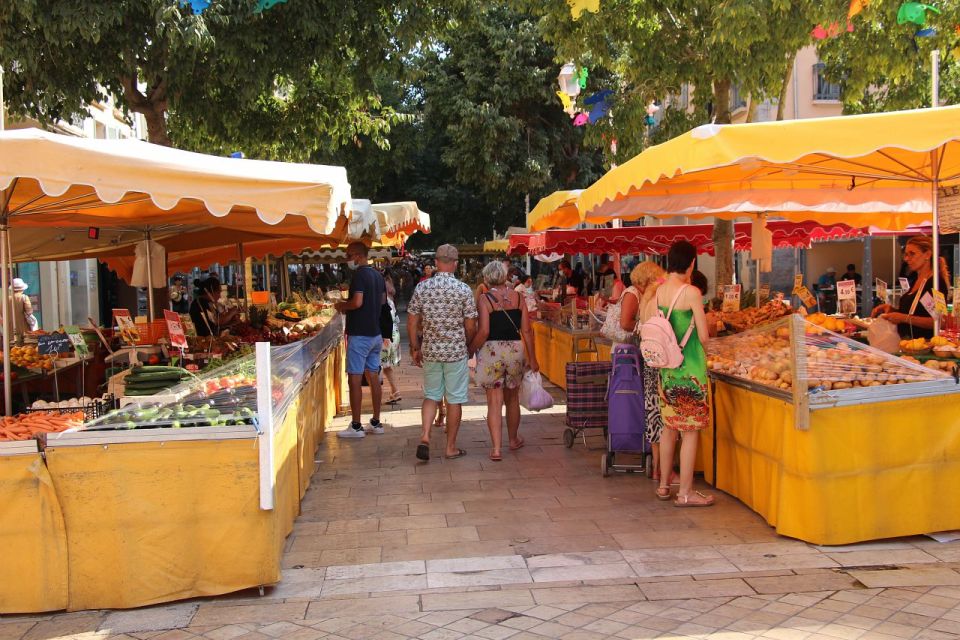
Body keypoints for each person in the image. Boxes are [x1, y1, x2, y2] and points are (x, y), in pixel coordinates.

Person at [644, 241, 714, 507]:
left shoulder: (658, 292)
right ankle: (685, 492)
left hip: (667, 370)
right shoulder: (692, 292)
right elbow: (704, 336)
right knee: (691, 431)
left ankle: (664, 485)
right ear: (692, 263)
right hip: (691, 369)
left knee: (669, 427)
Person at [408, 244, 477, 461]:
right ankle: (450, 448)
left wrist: (414, 347)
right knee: (454, 399)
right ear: (455, 264)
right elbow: (471, 325)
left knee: (431, 395)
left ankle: (426, 436)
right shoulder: (463, 289)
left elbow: (411, 321)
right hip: (455, 352)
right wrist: (468, 344)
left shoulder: (423, 288)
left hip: (431, 350)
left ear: (436, 262)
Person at [468, 261, 539, 461]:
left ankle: (497, 449)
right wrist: (532, 358)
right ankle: (514, 439)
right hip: (515, 349)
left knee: (494, 401)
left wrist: (470, 349)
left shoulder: (484, 299)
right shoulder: (518, 297)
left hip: (492, 351)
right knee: (512, 399)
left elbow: (483, 331)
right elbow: (526, 330)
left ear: (486, 278)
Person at [618, 262, 671, 483]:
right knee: (666, 418)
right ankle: (666, 471)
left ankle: (658, 468)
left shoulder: (647, 300)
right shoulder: (660, 297)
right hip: (664, 364)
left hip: (650, 362)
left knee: (654, 416)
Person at [335, 242, 388, 438]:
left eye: (349, 255)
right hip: (375, 334)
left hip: (360, 334)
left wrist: (341, 305)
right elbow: (382, 302)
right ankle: (376, 421)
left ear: (358, 256)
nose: (348, 259)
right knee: (374, 376)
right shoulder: (377, 275)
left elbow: (357, 302)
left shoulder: (359, 275)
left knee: (355, 378)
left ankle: (356, 425)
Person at [871, 235, 950, 340]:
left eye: (912, 254)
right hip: (907, 345)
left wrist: (903, 318)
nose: (907, 259)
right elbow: (913, 312)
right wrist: (891, 310)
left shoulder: (936, 283)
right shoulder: (916, 280)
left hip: (924, 347)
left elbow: (940, 321)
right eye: (906, 254)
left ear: (927, 254)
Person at [381, 272, 402, 404]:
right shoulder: (390, 300)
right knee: (386, 366)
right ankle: (395, 391)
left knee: (381, 365)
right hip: (393, 334)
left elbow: (385, 321)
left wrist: (385, 337)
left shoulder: (385, 302)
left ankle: (393, 391)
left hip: (387, 336)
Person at [8, 278, 36, 343]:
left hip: (9, 332)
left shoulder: (5, 300)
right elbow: (29, 312)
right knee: (23, 349)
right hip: (23, 330)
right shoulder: (24, 297)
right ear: (22, 289)